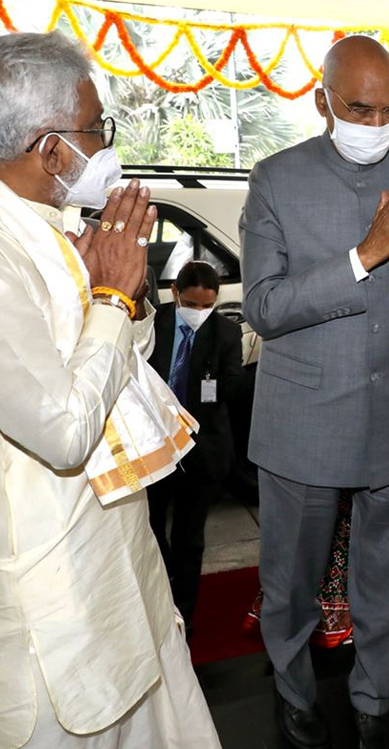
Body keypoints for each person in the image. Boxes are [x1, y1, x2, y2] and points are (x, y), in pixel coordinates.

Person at [0, 32, 220, 749]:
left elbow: (120, 369)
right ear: (49, 151)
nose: (105, 145)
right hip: (45, 613)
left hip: (116, 569)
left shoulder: (44, 227)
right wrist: (109, 295)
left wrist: (123, 298)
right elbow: (64, 430)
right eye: (96, 128)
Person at [240, 35, 389, 749]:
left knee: (385, 580)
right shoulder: (276, 179)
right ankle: (294, 691)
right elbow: (265, 308)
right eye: (360, 108)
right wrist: (362, 258)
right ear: (323, 103)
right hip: (303, 418)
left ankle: (375, 698)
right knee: (291, 581)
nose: (376, 125)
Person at [147, 259, 244, 637]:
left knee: (190, 540)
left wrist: (226, 384)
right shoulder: (153, 326)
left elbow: (233, 386)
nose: (200, 313)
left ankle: (182, 618)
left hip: (201, 453)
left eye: (208, 306)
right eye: (192, 305)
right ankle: (158, 594)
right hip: (155, 448)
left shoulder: (225, 334)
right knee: (151, 529)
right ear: (175, 294)